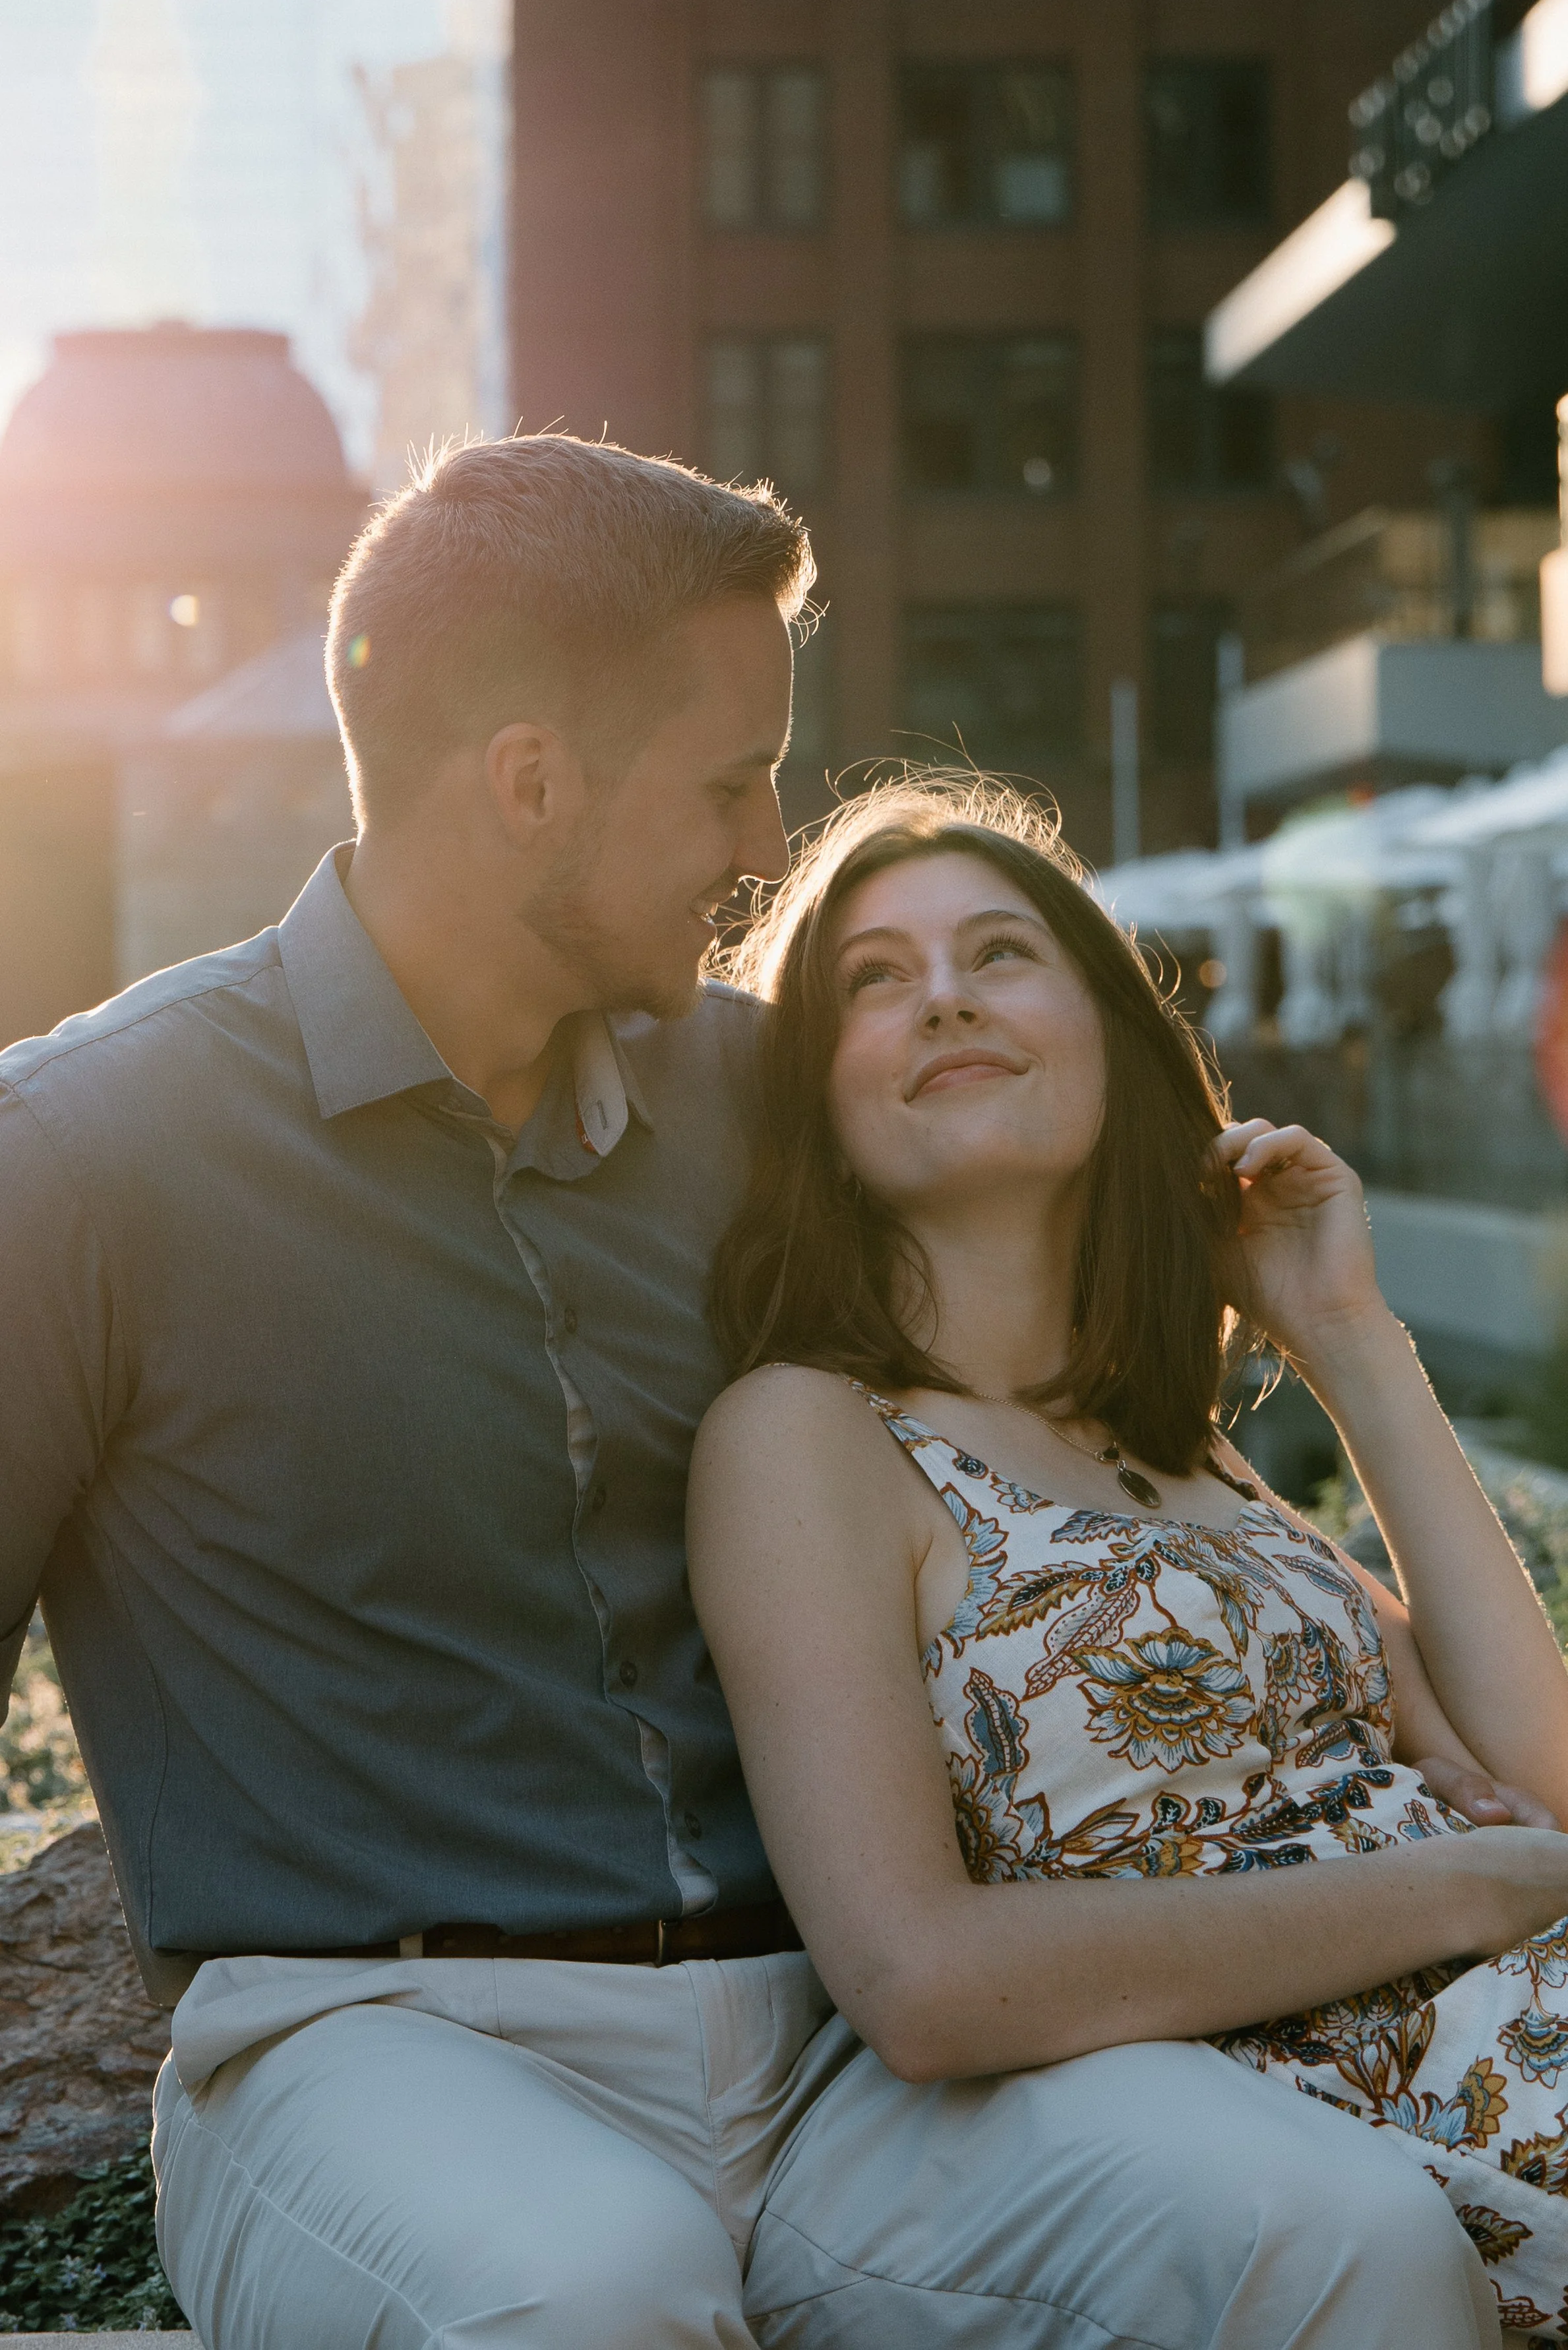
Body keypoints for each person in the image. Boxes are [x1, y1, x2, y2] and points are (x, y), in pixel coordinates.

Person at [0, 440, 1504, 2350]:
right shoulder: (82, 1152)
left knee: (1335, 2229)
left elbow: (1054, 1380)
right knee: (588, 2297)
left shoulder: (764, 1100)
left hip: (841, 2048)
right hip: (373, 2045)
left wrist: (1268, 1282)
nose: (765, 842)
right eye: (730, 779)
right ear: (528, 779)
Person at [690, 774, 1568, 2347]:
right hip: (1254, 2131)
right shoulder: (810, 1434)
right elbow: (920, 1975)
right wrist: (1451, 1889)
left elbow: (1543, 1777)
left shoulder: (1173, 1446)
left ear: (1106, 1031)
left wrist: (1350, 1342)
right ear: (819, 1100)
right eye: (874, 980)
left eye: (1000, 952)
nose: (943, 992)